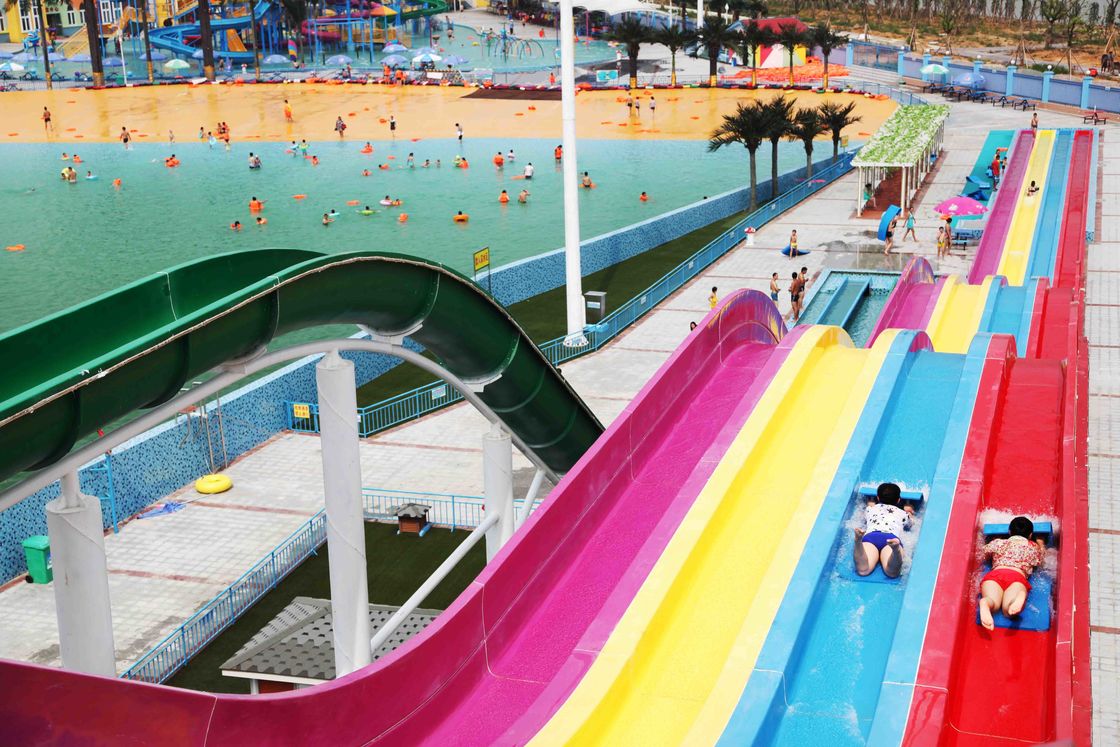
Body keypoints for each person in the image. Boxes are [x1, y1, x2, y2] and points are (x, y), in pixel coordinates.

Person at [978, 516, 1046, 631]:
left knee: (993, 604)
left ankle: (986, 602)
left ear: (1009, 532)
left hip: (995, 575)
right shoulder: (1032, 547)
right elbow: (1041, 561)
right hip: (1017, 577)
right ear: (1030, 535)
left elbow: (983, 553)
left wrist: (995, 539)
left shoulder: (999, 543)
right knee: (1008, 611)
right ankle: (1018, 597)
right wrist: (1041, 543)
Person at [853, 482, 913, 579]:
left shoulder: (870, 509)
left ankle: (858, 541)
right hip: (890, 538)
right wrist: (909, 511)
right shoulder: (903, 514)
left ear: (878, 498)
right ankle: (895, 550)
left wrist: (870, 504)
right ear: (898, 500)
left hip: (871, 537)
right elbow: (910, 525)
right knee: (892, 573)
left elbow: (864, 516)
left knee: (863, 571)